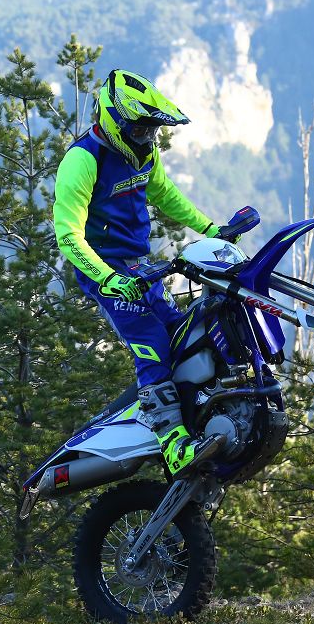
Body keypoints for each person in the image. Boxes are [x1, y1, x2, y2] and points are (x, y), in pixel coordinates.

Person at [53, 69, 225, 479]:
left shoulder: (145, 153)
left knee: (182, 331)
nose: (146, 137)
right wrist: (108, 279)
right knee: (151, 341)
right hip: (104, 272)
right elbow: (67, 235)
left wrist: (210, 229)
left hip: (139, 268)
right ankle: (173, 444)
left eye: (151, 130)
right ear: (114, 120)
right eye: (138, 129)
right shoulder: (83, 159)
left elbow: (165, 194)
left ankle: (201, 412)